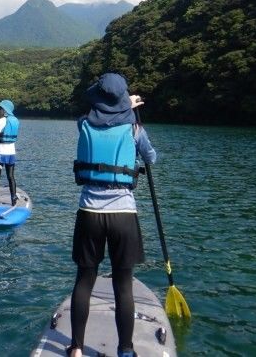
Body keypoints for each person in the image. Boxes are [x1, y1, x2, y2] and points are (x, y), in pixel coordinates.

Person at [67, 73, 157, 357]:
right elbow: (151, 158)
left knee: (84, 279)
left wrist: (122, 107)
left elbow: (93, 115)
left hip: (90, 213)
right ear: (123, 99)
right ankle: (126, 350)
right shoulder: (135, 130)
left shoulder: (83, 125)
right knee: (123, 285)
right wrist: (129, 110)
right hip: (123, 216)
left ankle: (77, 349)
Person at [0, 99, 20, 206]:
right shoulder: (16, 120)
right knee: (11, 176)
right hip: (11, 153)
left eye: (0, 109)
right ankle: (13, 200)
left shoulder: (2, 120)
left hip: (0, 153)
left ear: (5, 110)